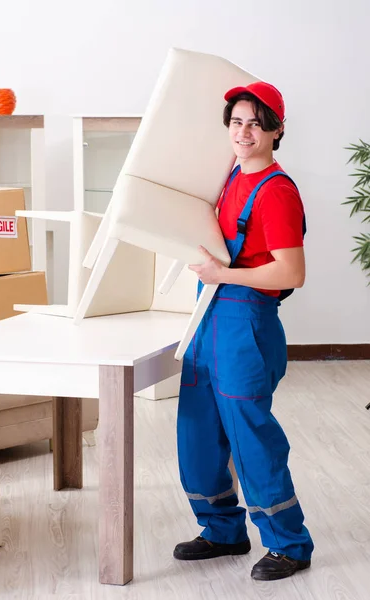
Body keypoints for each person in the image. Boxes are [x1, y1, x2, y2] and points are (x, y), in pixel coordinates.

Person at [173, 81, 314, 581]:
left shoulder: (275, 191)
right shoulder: (230, 175)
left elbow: (290, 274)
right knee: (197, 434)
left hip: (245, 324)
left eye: (255, 122)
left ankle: (289, 544)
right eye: (236, 121)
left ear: (276, 130)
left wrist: (223, 275)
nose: (244, 131)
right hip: (207, 317)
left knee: (251, 438)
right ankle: (221, 530)